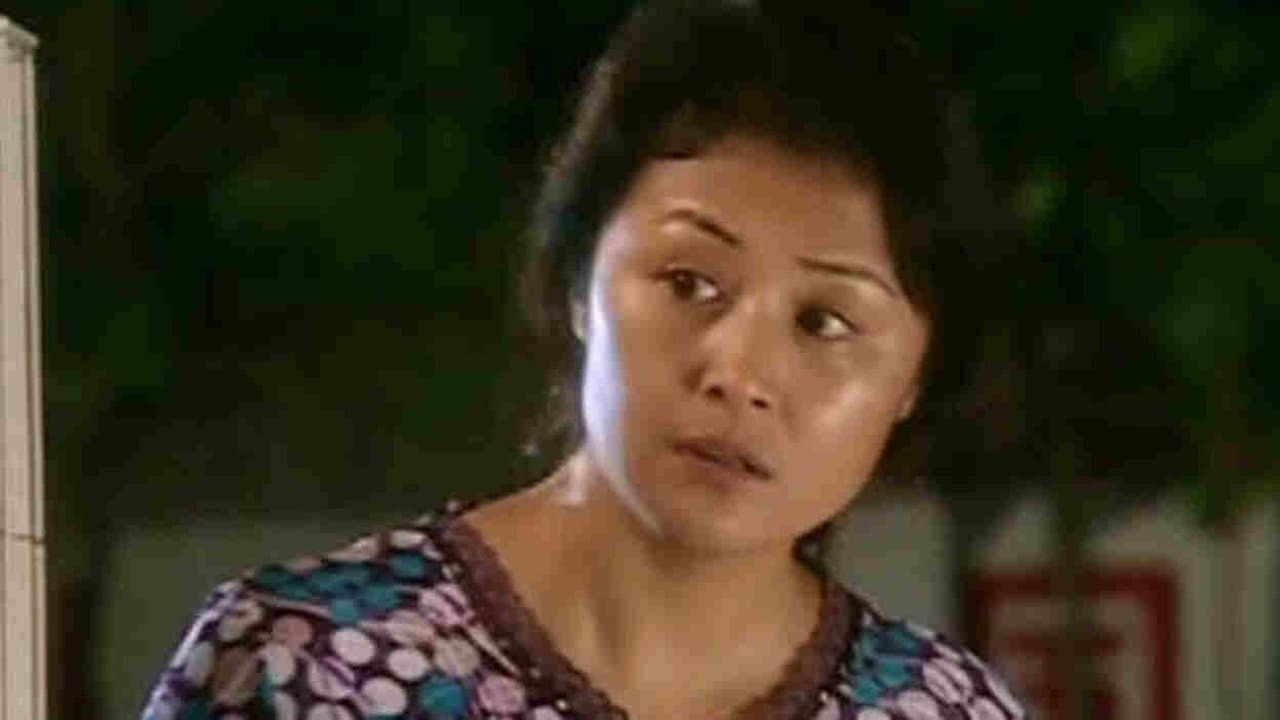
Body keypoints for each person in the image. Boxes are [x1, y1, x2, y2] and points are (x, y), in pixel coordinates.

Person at [142, 1, 1025, 718]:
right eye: (689, 282)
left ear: (914, 380)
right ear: (578, 279)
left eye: (825, 322)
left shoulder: (945, 710)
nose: (738, 373)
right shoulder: (308, 667)